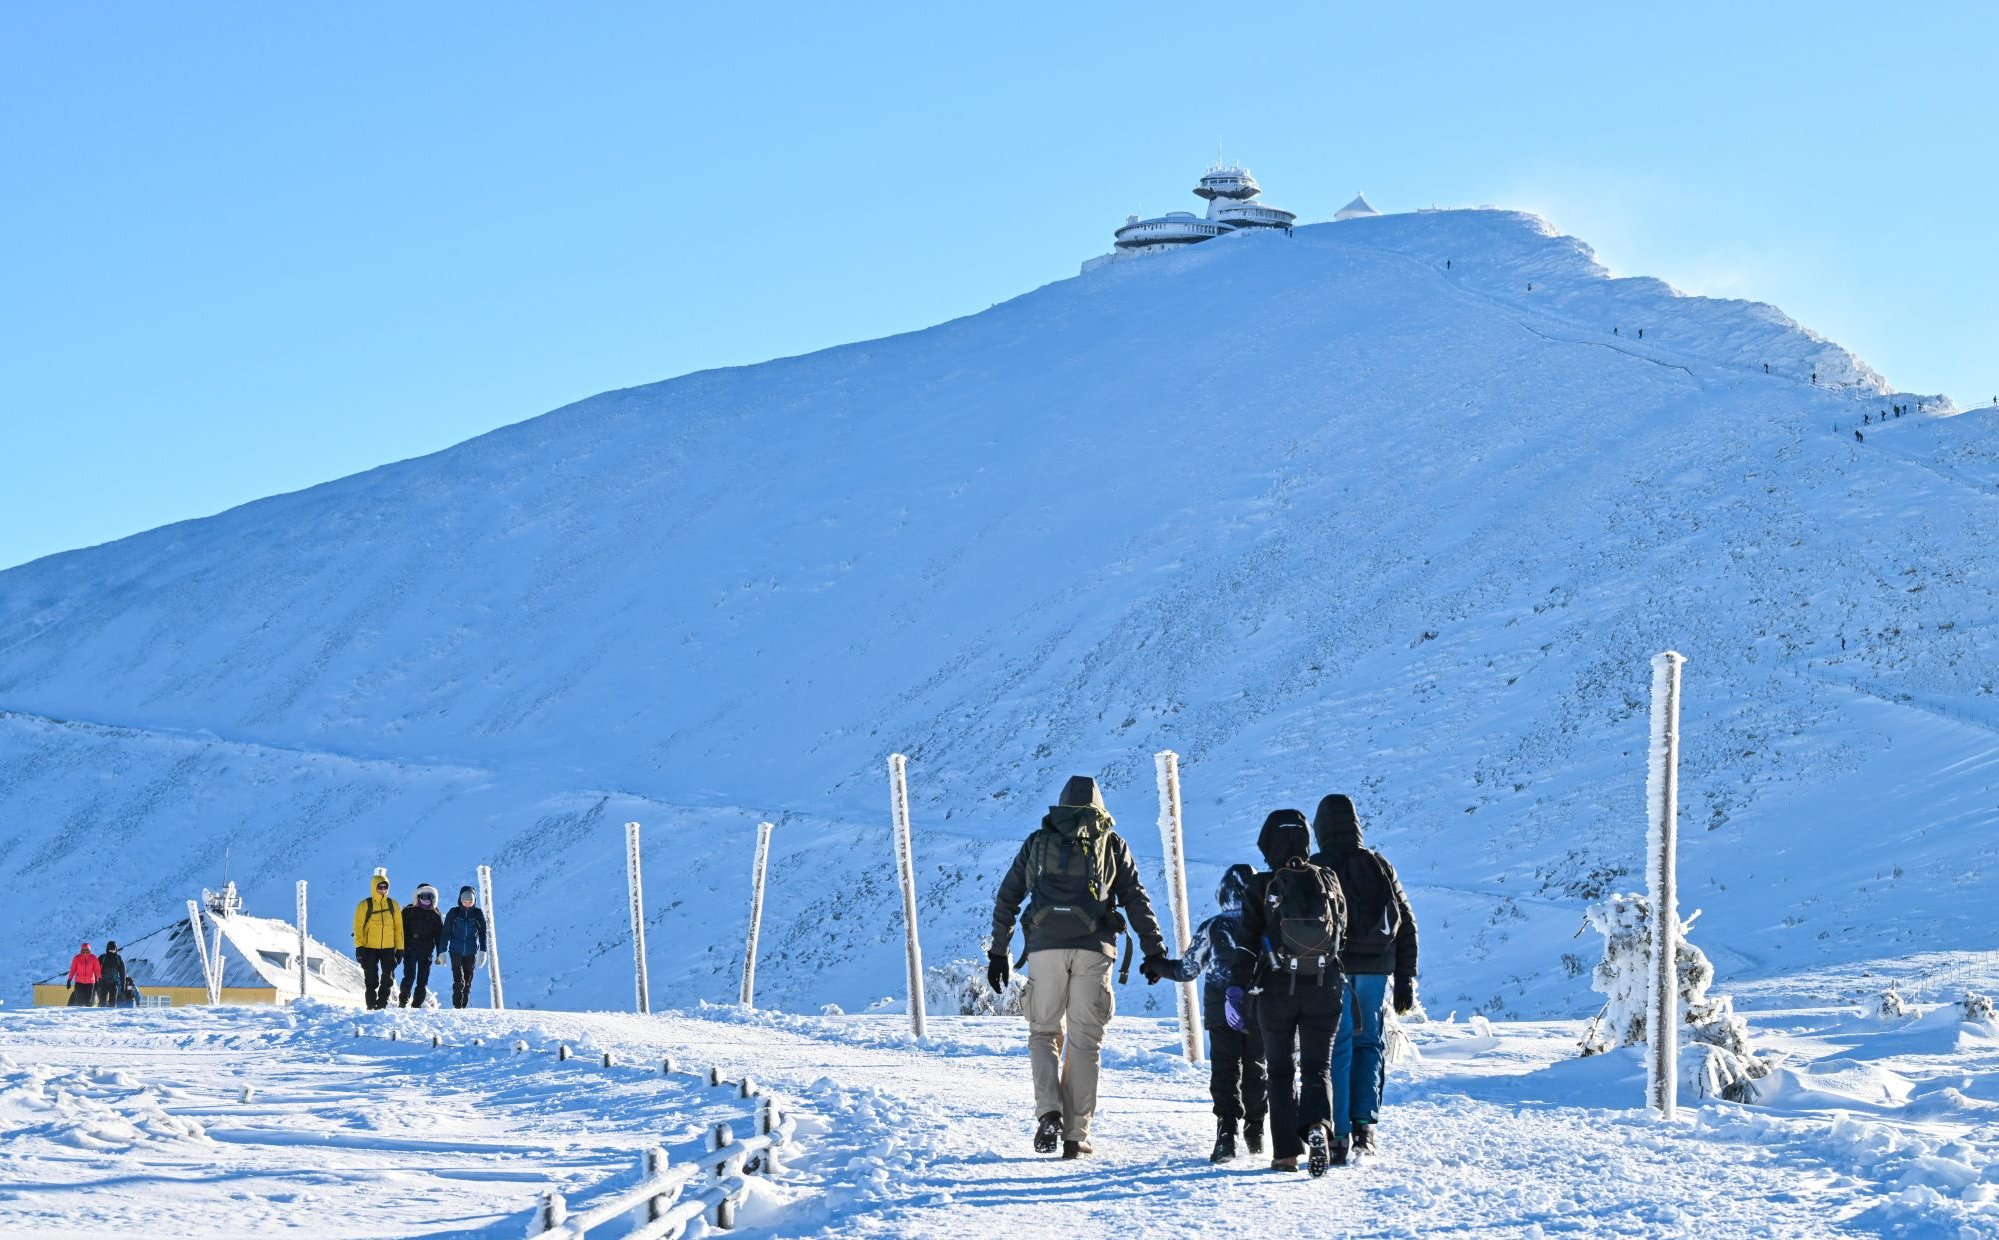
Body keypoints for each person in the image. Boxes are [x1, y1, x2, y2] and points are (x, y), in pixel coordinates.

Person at [989, 774, 1174, 1160]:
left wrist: (998, 953)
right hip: (1094, 949)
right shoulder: (1111, 843)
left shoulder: (1039, 842)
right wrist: (1153, 952)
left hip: (1044, 950)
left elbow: (1008, 897)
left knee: (1043, 1033)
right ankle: (1076, 1136)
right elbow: (1136, 899)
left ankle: (1050, 1112)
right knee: (1084, 1043)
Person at [1228, 809, 1346, 1175]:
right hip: (1324, 986)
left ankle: (1285, 1154)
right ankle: (1316, 1127)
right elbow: (1342, 929)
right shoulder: (1327, 879)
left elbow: (1246, 942)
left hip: (1275, 989)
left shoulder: (1261, 884)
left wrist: (1236, 987)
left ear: (1267, 844)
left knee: (1279, 1071)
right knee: (1317, 1067)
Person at [1310, 794, 1420, 1165]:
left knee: (1336, 1047)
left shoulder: (1317, 866)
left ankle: (1338, 1133)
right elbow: (1406, 922)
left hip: (1331, 969)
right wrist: (1405, 977)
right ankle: (1364, 1128)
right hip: (1376, 968)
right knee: (1369, 1043)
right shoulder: (1377, 864)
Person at [1162, 863, 1267, 1163]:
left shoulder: (1214, 926)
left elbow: (1187, 969)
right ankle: (1256, 1130)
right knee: (1257, 1068)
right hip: (1258, 1006)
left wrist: (1157, 966)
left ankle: (1226, 1135)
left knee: (1225, 1070)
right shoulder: (1266, 924)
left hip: (1221, 1007)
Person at [351, 872, 404, 1010]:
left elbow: (399, 928)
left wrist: (400, 949)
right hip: (369, 948)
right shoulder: (364, 905)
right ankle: (370, 1004)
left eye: (385, 887)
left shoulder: (393, 905)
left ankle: (381, 1005)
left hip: (389, 948)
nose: (382, 890)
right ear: (374, 887)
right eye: (379, 887)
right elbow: (358, 927)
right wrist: (359, 947)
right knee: (371, 978)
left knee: (388, 978)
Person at [398, 884, 445, 1008]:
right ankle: (403, 1002)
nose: (426, 899)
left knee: (422, 981)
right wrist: (398, 948)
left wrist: (441, 953)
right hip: (409, 950)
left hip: (426, 952)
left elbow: (439, 935)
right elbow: (399, 930)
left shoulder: (435, 915)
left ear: (433, 898)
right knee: (409, 977)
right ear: (417, 896)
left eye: (429, 896)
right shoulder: (408, 911)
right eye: (423, 896)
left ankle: (416, 1005)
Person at [443, 885, 489, 1009]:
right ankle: (457, 1006)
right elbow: (446, 932)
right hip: (455, 950)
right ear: (460, 900)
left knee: (468, 980)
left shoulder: (478, 914)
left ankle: (463, 1006)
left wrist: (483, 951)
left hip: (471, 951)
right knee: (459, 980)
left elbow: (483, 934)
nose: (467, 904)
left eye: (470, 901)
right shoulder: (454, 913)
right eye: (465, 901)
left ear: (474, 901)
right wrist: (442, 951)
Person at [67, 941, 102, 1007]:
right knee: (79, 1000)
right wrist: (69, 980)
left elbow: (97, 970)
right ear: (81, 950)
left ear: (89, 950)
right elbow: (72, 970)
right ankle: (79, 1015)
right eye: (83, 950)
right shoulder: (76, 958)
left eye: (87, 950)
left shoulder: (94, 958)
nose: (85, 952)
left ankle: (87, 1016)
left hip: (90, 983)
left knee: (88, 1001)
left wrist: (100, 979)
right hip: (79, 982)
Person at [97, 940, 128, 1008]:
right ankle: (99, 1016)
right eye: (110, 950)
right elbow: (96, 969)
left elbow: (122, 972)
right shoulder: (102, 957)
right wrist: (96, 982)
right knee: (102, 1001)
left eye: (113, 950)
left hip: (114, 983)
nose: (111, 951)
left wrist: (123, 985)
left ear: (116, 949)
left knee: (112, 1002)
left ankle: (111, 1017)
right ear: (107, 949)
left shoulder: (118, 958)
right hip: (103, 982)